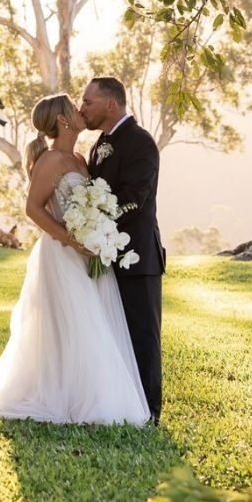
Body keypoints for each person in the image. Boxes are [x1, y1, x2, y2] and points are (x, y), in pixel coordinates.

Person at [0, 93, 150, 426]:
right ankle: (65, 397)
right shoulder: (50, 160)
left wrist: (96, 234)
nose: (80, 110)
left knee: (93, 323)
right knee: (73, 324)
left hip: (89, 251)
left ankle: (93, 394)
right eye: (74, 108)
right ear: (63, 120)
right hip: (62, 254)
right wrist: (71, 239)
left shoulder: (79, 157)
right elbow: (32, 208)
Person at [80, 77, 165, 423]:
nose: (82, 109)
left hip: (137, 258)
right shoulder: (98, 145)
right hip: (104, 257)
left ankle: (149, 413)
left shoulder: (141, 143)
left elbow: (134, 198)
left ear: (110, 104)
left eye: (88, 102)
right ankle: (120, 408)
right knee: (112, 335)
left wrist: (95, 222)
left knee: (142, 337)